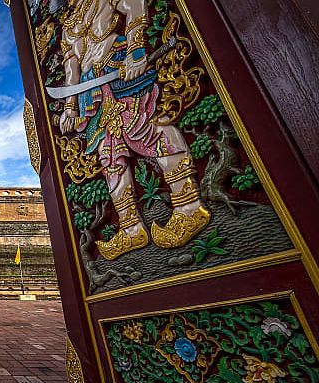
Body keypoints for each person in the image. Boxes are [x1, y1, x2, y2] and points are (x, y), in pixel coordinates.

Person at [57, 0, 210, 260]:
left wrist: (136, 49)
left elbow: (135, 5)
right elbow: (71, 66)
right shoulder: (68, 26)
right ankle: (131, 227)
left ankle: (189, 206)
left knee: (147, 130)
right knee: (110, 154)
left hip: (119, 66)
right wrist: (70, 107)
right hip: (91, 89)